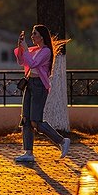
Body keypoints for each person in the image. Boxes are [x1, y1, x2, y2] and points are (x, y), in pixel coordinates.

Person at [14, 24, 70, 163]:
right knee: (26, 119)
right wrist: (21, 47)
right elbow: (22, 61)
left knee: (35, 121)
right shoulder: (34, 50)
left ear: (42, 37)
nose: (32, 36)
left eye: (35, 34)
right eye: (32, 34)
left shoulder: (46, 52)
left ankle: (62, 141)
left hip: (39, 86)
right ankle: (28, 152)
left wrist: (26, 48)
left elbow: (33, 64)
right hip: (30, 84)